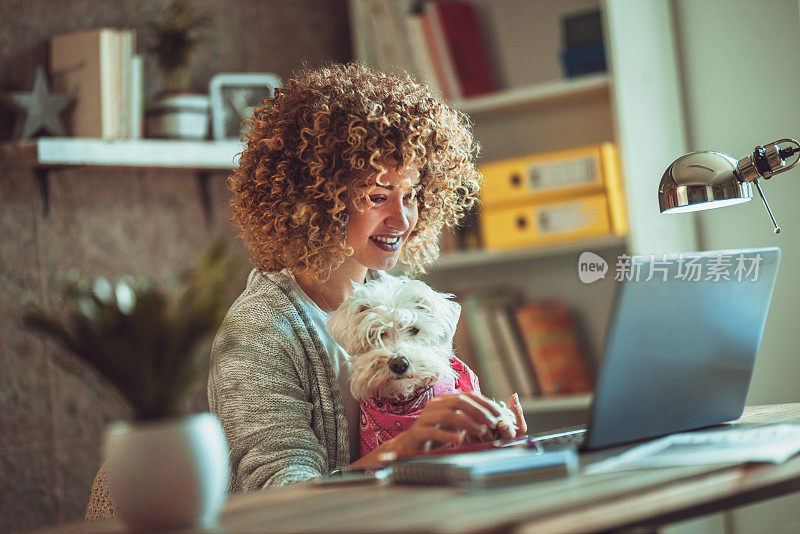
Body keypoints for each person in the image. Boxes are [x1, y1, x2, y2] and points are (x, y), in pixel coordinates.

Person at [208, 62, 527, 492]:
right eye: (377, 196)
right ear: (316, 199)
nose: (402, 218)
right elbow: (280, 498)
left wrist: (482, 439)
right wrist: (407, 449)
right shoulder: (259, 332)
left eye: (411, 195)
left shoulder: (396, 296)